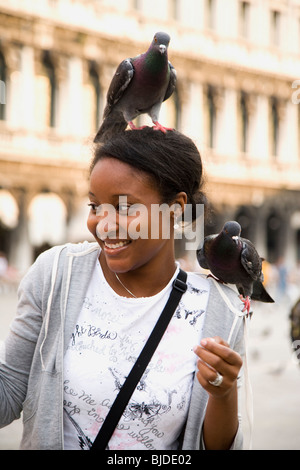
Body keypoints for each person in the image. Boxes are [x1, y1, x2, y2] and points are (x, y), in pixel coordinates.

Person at [0, 128, 244, 450]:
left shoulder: (219, 310)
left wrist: (223, 393)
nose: (103, 223)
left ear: (175, 208)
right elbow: (9, 393)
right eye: (94, 206)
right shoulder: (56, 273)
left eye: (125, 208)